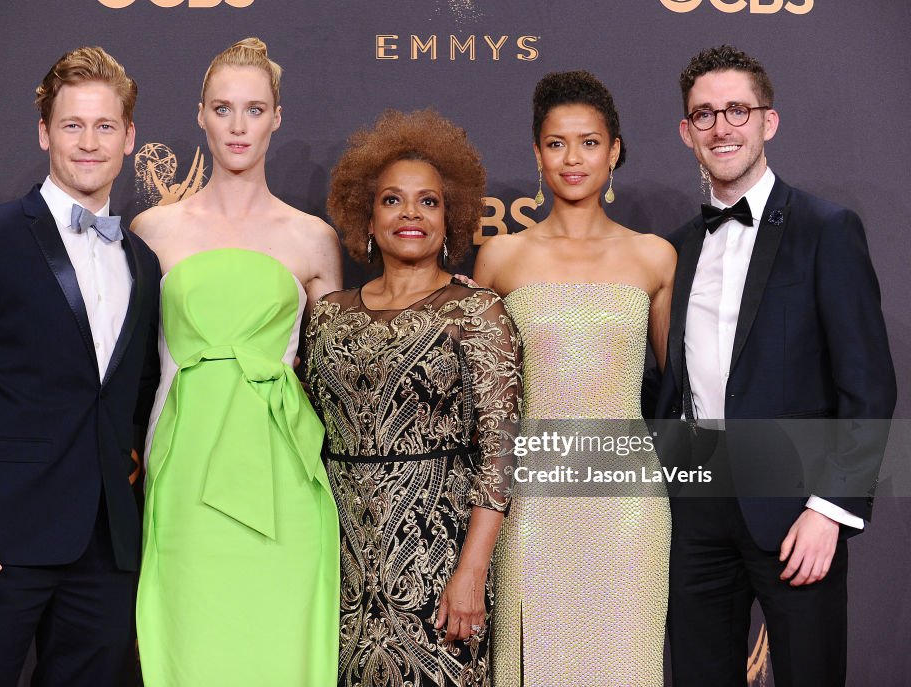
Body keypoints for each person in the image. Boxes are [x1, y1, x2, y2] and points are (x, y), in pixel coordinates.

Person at [0, 47, 160, 686]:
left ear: (129, 138)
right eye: (72, 125)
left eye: (105, 126)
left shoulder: (142, 260)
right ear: (44, 131)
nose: (88, 143)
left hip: (106, 549)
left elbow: (133, 401)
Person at [654, 45, 897, 687]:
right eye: (703, 115)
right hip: (695, 508)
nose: (721, 127)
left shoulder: (827, 229)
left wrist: (831, 509)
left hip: (796, 510)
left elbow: (868, 386)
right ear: (686, 132)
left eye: (737, 109)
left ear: (769, 121)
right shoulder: (677, 248)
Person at [131, 37, 342, 686]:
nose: (238, 125)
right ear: (200, 114)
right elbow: (122, 371)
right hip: (184, 468)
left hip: (285, 480)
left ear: (277, 117)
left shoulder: (313, 238)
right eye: (224, 109)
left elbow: (339, 371)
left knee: (280, 653)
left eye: (255, 109)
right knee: (190, 649)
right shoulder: (152, 230)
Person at [305, 109, 521, 687]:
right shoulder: (326, 316)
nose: (410, 215)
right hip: (340, 559)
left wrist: (472, 570)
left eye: (428, 202)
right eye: (392, 201)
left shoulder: (476, 312)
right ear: (366, 218)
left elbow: (501, 455)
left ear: (451, 219)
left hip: (439, 557)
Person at [474, 71, 676, 686]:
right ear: (537, 153)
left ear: (614, 150)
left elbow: (676, 389)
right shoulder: (500, 257)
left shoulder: (653, 256)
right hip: (532, 502)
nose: (572, 158)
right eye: (556, 143)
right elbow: (483, 394)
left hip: (624, 504)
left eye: (589, 142)